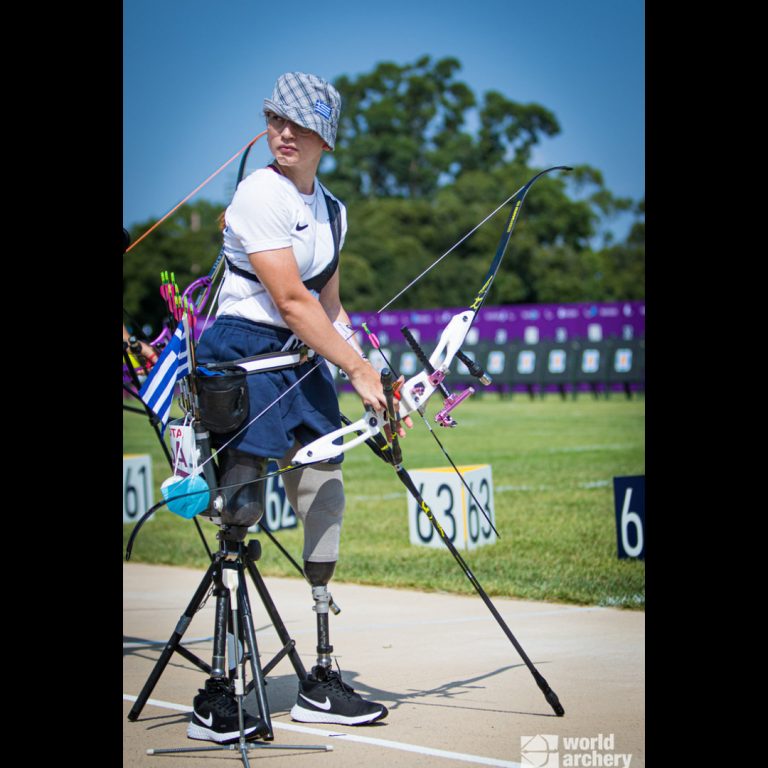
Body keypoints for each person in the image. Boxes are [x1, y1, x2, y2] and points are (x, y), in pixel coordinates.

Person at [188, 71, 406, 744]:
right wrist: (356, 367)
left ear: (325, 139)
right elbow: (289, 301)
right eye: (275, 119)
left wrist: (380, 377)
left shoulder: (335, 211)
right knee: (242, 509)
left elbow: (328, 308)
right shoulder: (258, 193)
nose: (283, 133)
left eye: (299, 125)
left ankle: (321, 673)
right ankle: (219, 690)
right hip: (245, 356)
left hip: (304, 360)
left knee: (324, 493)